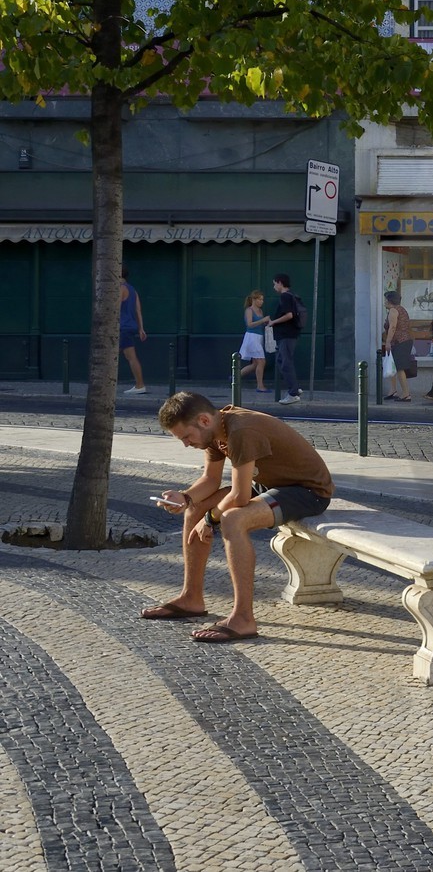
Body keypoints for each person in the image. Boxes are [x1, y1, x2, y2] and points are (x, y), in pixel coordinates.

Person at [143, 391, 333, 642]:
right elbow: (210, 480)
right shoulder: (214, 431)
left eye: (186, 437)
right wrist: (185, 497)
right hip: (270, 484)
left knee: (232, 519)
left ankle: (243, 618)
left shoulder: (241, 430)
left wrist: (211, 519)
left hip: (306, 491)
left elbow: (240, 497)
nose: (186, 444)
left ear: (203, 421)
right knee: (195, 508)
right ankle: (191, 597)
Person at [268, 274, 303, 404]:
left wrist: (274, 322)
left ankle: (293, 393)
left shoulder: (285, 297)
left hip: (286, 334)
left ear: (280, 283)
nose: (274, 286)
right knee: (281, 360)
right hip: (289, 334)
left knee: (285, 362)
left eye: (274, 283)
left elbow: (289, 315)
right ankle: (294, 387)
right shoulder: (292, 295)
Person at [381, 290, 417, 402]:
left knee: (399, 367)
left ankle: (406, 394)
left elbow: (392, 327)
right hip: (403, 340)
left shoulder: (393, 310)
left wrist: (387, 342)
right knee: (394, 366)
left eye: (386, 299)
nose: (384, 302)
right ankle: (393, 390)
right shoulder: (401, 309)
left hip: (400, 341)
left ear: (390, 300)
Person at [119, 267, 147, 395]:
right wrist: (141, 328)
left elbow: (114, 307)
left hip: (122, 327)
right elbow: (138, 311)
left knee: (131, 357)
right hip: (131, 326)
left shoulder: (120, 288)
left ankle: (140, 385)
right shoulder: (132, 290)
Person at [239, 290, 270, 393]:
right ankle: (260, 386)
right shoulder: (249, 310)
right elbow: (250, 324)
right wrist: (262, 320)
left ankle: (235, 376)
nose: (261, 302)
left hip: (259, 337)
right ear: (254, 299)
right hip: (252, 337)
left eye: (262, 299)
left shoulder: (260, 311)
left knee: (255, 364)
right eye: (259, 299)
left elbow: (259, 324)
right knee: (261, 361)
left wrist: (265, 323)